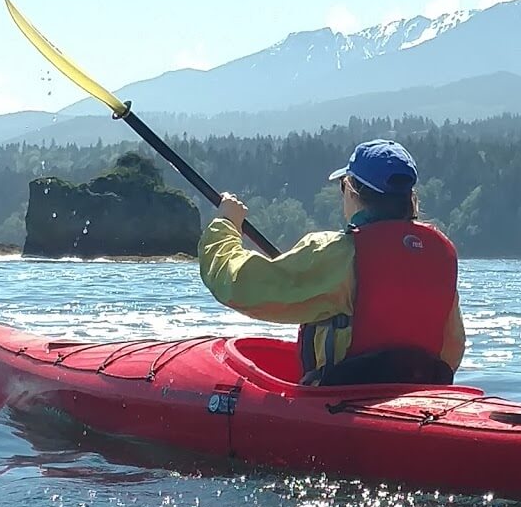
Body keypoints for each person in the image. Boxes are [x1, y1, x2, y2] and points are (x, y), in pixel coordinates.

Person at [198, 139, 465, 386]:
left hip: (343, 397)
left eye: (343, 187)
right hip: (423, 395)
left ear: (351, 190)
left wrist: (226, 224)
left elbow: (237, 286)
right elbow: (452, 348)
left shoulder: (336, 253)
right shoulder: (439, 253)